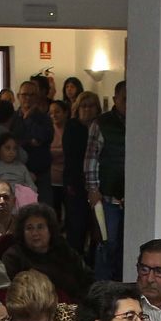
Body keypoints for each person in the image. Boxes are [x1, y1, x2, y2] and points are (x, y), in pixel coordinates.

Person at [1, 202, 92, 301]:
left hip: (78, 306)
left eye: (40, 227)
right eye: (29, 228)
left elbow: (86, 277)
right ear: (22, 232)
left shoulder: (61, 247)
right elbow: (16, 297)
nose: (35, 233)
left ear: (50, 230)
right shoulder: (13, 257)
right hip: (39, 311)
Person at [84, 80, 127, 280]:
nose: (128, 104)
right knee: (106, 243)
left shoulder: (144, 120)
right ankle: (102, 289)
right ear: (115, 99)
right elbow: (91, 159)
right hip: (107, 197)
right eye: (124, 99)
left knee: (128, 245)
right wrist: (93, 190)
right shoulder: (101, 124)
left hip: (132, 198)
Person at [62, 91, 99, 250]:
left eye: (91, 106)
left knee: (96, 226)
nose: (87, 110)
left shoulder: (99, 127)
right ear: (77, 108)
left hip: (96, 183)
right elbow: (70, 157)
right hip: (75, 182)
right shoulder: (72, 127)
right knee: (76, 226)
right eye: (83, 106)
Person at [12, 78, 53, 200]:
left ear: (37, 97)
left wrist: (29, 118)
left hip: (41, 173)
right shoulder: (13, 119)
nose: (28, 98)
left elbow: (42, 138)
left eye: (32, 95)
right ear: (19, 96)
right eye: (24, 95)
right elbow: (13, 141)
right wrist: (30, 141)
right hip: (17, 173)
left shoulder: (45, 119)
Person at [48, 98, 70, 216]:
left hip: (67, 177)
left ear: (65, 112)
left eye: (57, 112)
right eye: (51, 113)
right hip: (52, 177)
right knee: (54, 211)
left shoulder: (71, 129)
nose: (53, 115)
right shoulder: (48, 129)